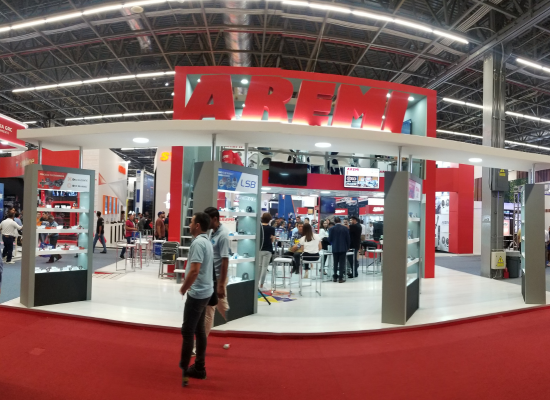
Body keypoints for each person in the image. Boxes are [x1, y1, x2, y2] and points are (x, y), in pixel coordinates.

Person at [179, 212, 213, 387]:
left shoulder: (199, 243)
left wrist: (184, 288)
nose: (189, 225)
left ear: (198, 225)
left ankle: (185, 370)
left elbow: (194, 270)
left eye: (191, 222)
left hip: (197, 293)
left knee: (187, 331)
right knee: (199, 330)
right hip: (205, 292)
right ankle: (199, 367)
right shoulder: (206, 241)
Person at [203, 207, 230, 337]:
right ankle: (202, 341)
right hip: (211, 277)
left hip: (218, 278)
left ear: (215, 219)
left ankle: (231, 330)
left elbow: (225, 260)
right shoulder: (211, 232)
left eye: (207, 220)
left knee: (221, 307)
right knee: (210, 309)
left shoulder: (223, 235)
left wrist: (221, 284)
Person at [328, 217, 350, 283]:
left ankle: (335, 277)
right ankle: (340, 277)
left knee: (335, 262)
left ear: (334, 222)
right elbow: (348, 238)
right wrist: (348, 246)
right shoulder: (345, 228)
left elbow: (329, 239)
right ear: (340, 221)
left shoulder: (331, 229)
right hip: (343, 248)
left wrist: (333, 243)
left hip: (335, 247)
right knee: (342, 263)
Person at [259, 212, 276, 288]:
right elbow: (272, 240)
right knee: (264, 267)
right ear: (269, 219)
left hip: (259, 249)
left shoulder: (259, 228)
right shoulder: (272, 229)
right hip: (268, 249)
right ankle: (262, 284)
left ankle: (256, 283)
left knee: (259, 266)